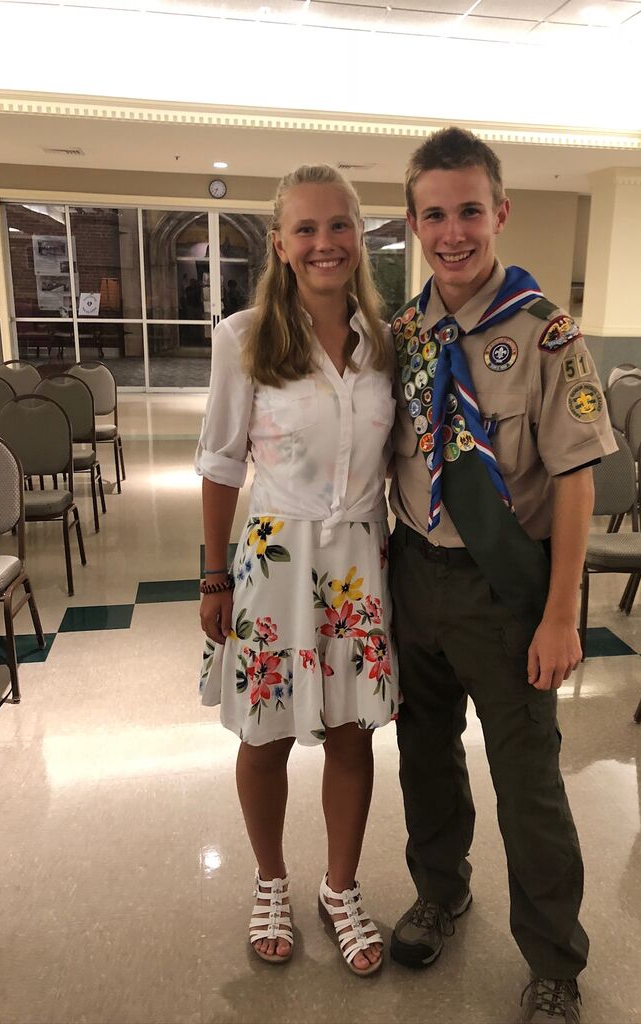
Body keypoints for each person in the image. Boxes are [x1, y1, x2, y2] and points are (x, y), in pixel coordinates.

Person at [387, 127, 616, 1022]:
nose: (453, 232)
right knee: (425, 758)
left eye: (470, 211)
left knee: (528, 782)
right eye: (435, 213)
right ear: (413, 222)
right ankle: (441, 892)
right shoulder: (404, 334)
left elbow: (574, 481)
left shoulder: (547, 332)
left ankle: (555, 960)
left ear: (500, 213)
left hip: (506, 591)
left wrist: (563, 615)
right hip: (414, 577)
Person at [195, 164, 398, 976]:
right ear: (279, 243)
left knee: (351, 734)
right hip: (273, 563)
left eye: (339, 226)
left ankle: (340, 887)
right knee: (267, 733)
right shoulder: (244, 337)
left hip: (357, 563)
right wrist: (213, 579)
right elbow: (217, 466)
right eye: (306, 229)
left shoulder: (390, 343)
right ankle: (271, 878)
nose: (325, 244)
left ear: (361, 236)